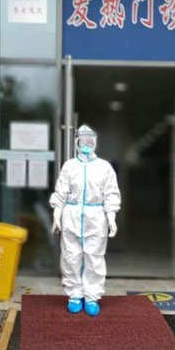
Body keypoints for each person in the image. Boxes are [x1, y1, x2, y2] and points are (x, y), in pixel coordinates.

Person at [50, 125, 121, 316]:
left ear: (95, 142)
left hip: (96, 216)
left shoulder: (104, 167)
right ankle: (74, 295)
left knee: (94, 257)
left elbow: (111, 194)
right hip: (71, 214)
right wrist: (57, 213)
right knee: (71, 256)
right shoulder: (69, 166)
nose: (86, 144)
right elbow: (61, 192)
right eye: (83, 141)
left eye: (90, 141)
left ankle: (91, 296)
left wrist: (111, 216)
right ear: (77, 143)